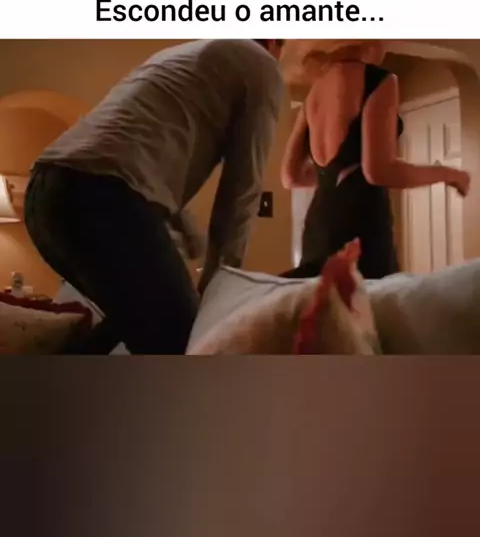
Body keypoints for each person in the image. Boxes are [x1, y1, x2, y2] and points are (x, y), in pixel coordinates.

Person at [24, 39, 285, 354]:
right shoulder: (262, 65)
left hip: (45, 194)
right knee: (184, 343)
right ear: (275, 42)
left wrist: (182, 226)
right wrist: (220, 289)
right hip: (103, 195)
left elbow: (141, 148)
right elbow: (242, 191)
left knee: (133, 316)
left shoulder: (180, 55)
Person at [281, 41, 470, 280]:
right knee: (370, 299)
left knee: (327, 299)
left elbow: (291, 177)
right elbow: (379, 171)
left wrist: (340, 177)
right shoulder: (379, 80)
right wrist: (449, 174)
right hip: (359, 224)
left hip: (318, 226)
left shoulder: (313, 94)